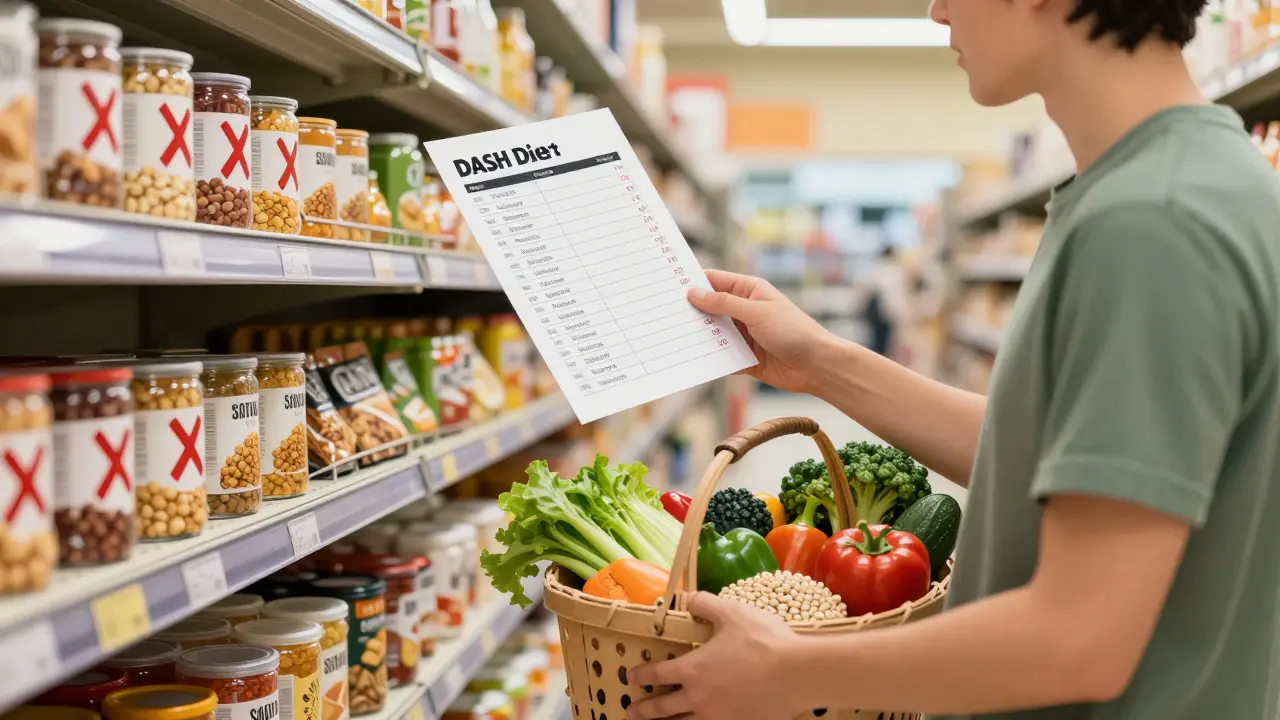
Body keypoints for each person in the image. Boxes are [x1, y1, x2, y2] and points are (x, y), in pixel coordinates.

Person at [627, 0, 1280, 718]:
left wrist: (788, 670)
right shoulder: (1190, 183)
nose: (937, 12)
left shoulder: (1152, 223)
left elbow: (1078, 639)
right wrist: (820, 363)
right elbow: (1054, 461)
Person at [862, 245, 909, 357]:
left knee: (876, 338)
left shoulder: (876, 268)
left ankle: (874, 359)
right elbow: (892, 294)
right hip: (883, 310)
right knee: (882, 340)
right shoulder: (891, 270)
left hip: (876, 310)